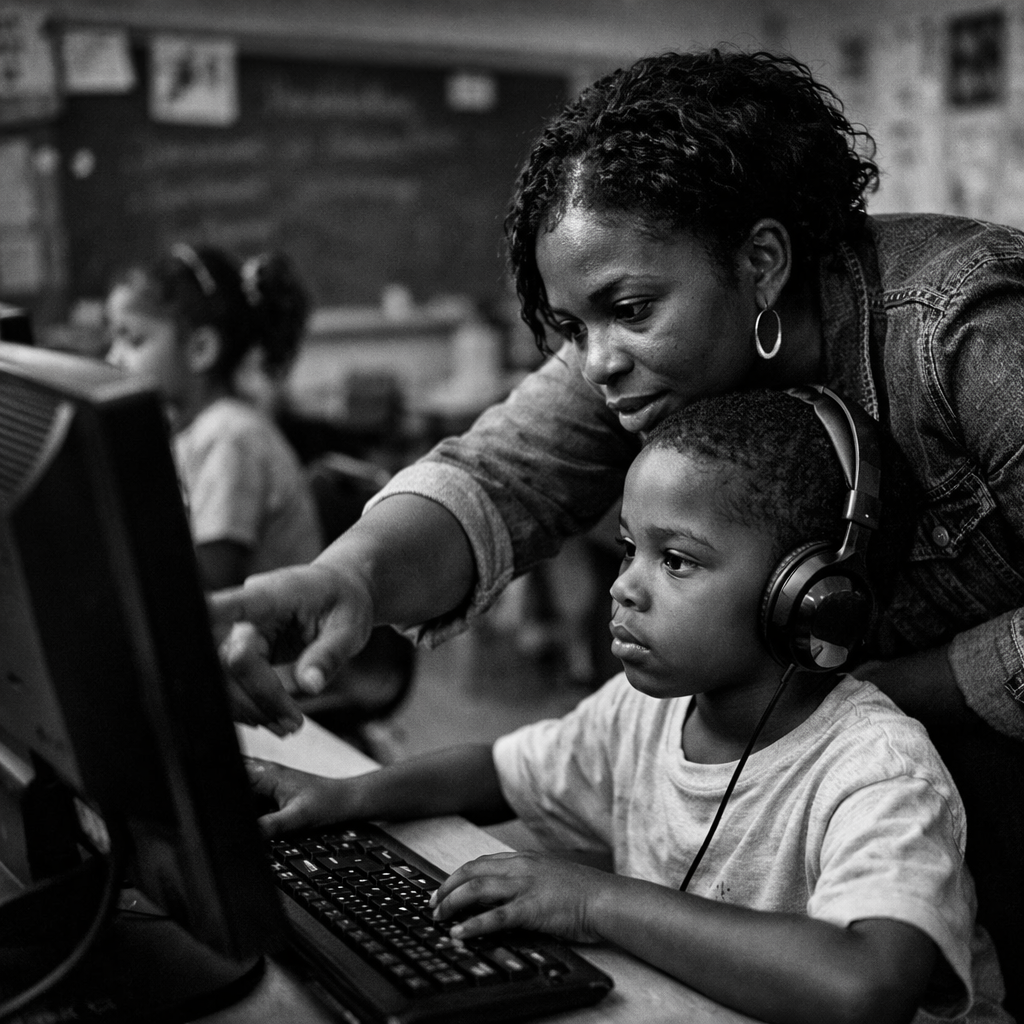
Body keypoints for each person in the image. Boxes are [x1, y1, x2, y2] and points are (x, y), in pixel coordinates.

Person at [211, 50, 1024, 1014]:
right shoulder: (649, 347)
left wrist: (896, 689)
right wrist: (349, 575)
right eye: (568, 326)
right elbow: (499, 474)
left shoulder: (966, 329)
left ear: (760, 263)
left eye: (626, 311)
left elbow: (867, 979)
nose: (595, 361)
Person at [246, 389, 1010, 1024]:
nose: (624, 588)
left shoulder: (876, 766)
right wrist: (349, 795)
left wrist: (599, 902)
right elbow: (502, 770)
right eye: (627, 549)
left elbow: (867, 985)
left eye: (675, 560)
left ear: (810, 599)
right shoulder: (645, 712)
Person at [106, 244, 322, 593]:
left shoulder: (229, 435)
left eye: (133, 340)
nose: (113, 357)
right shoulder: (191, 432)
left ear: (200, 349)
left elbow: (207, 585)